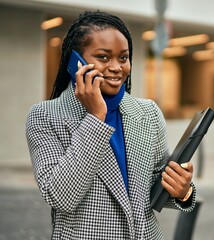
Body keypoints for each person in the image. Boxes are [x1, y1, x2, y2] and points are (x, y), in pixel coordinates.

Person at [25, 10, 196, 239]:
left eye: (123, 58)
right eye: (104, 57)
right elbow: (60, 196)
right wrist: (96, 118)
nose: (116, 67)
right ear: (76, 62)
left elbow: (156, 183)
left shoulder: (148, 113)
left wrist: (182, 191)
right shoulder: (45, 116)